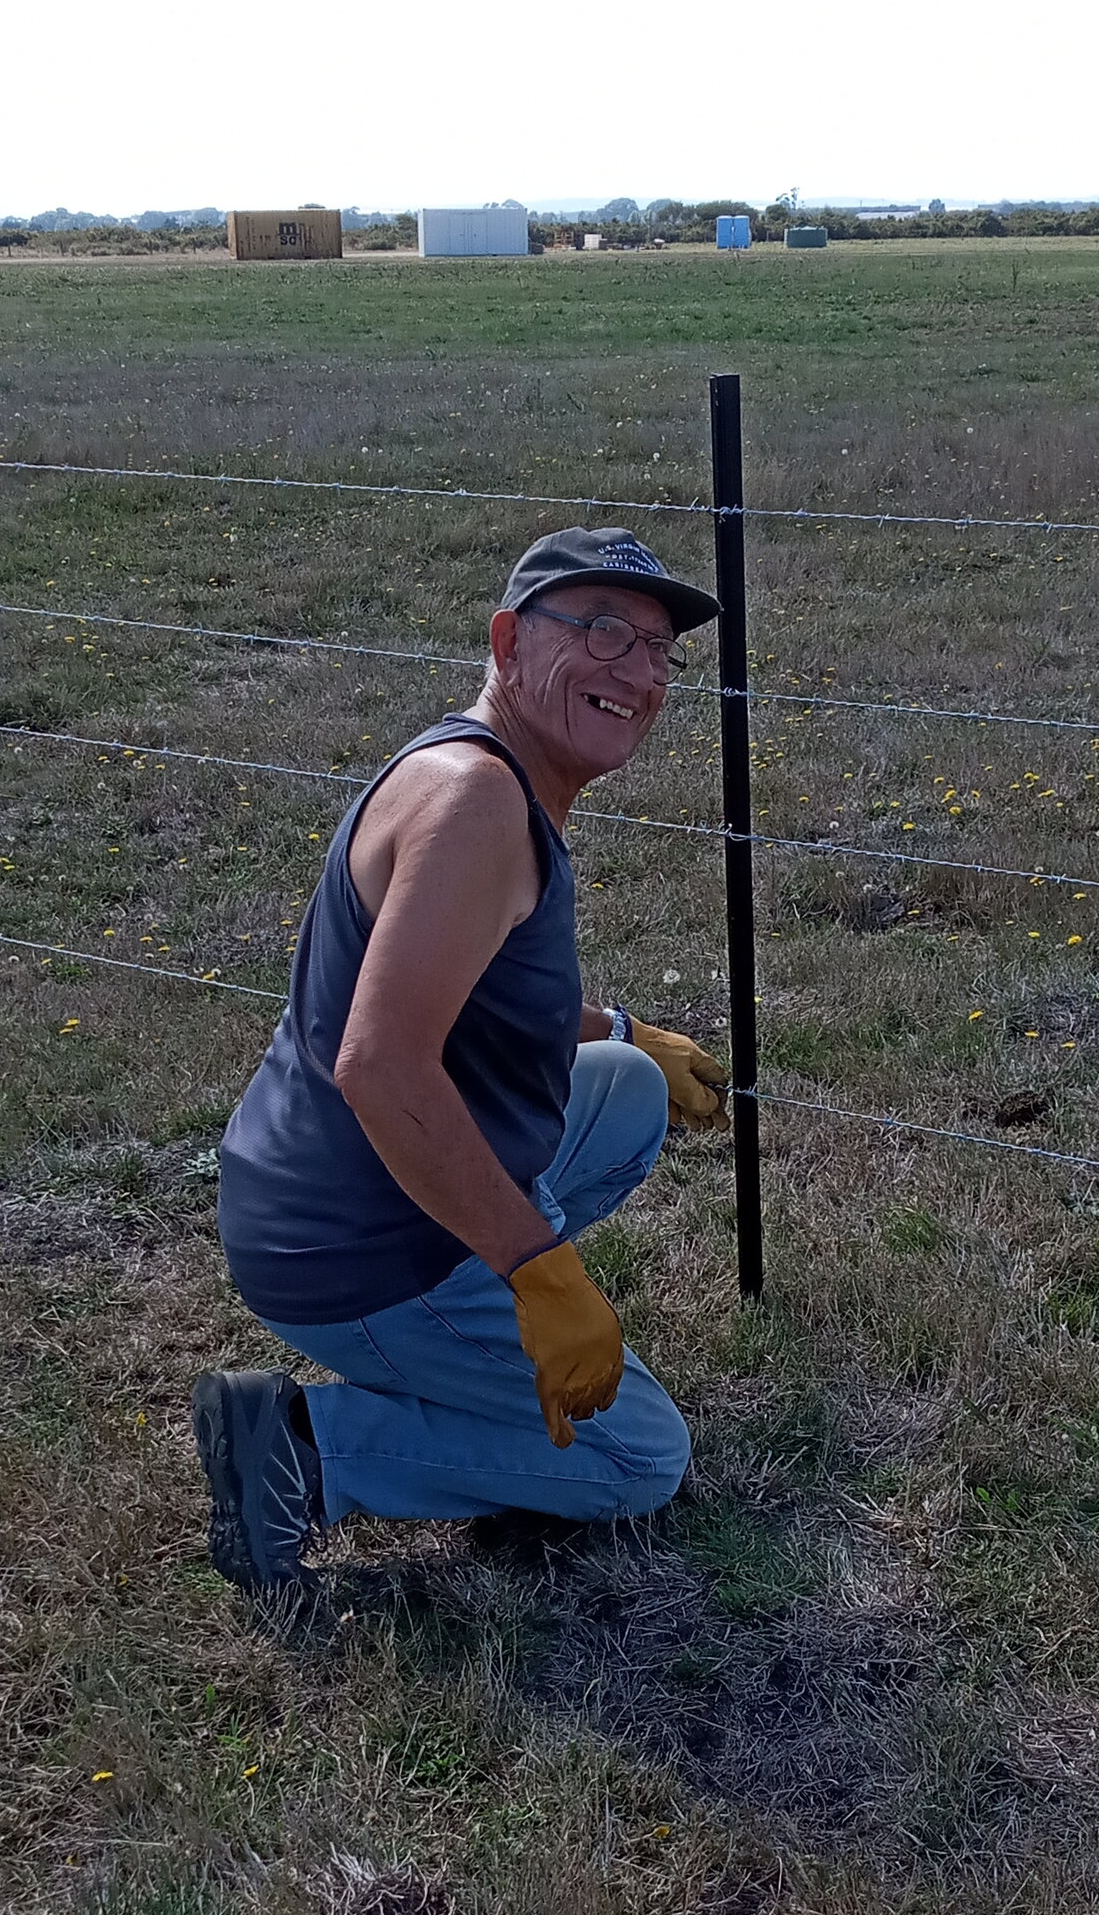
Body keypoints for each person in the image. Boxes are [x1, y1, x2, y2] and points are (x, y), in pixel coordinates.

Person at [194, 527, 731, 1590]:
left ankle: (465, 1347)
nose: (637, 672)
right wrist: (538, 1269)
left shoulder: (472, 770)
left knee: (621, 1094)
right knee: (640, 1459)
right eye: (603, 633)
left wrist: (626, 1035)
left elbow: (468, 986)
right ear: (506, 642)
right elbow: (382, 1065)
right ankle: (301, 1448)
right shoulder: (476, 803)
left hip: (314, 1186)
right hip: (353, 1247)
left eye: (660, 653)